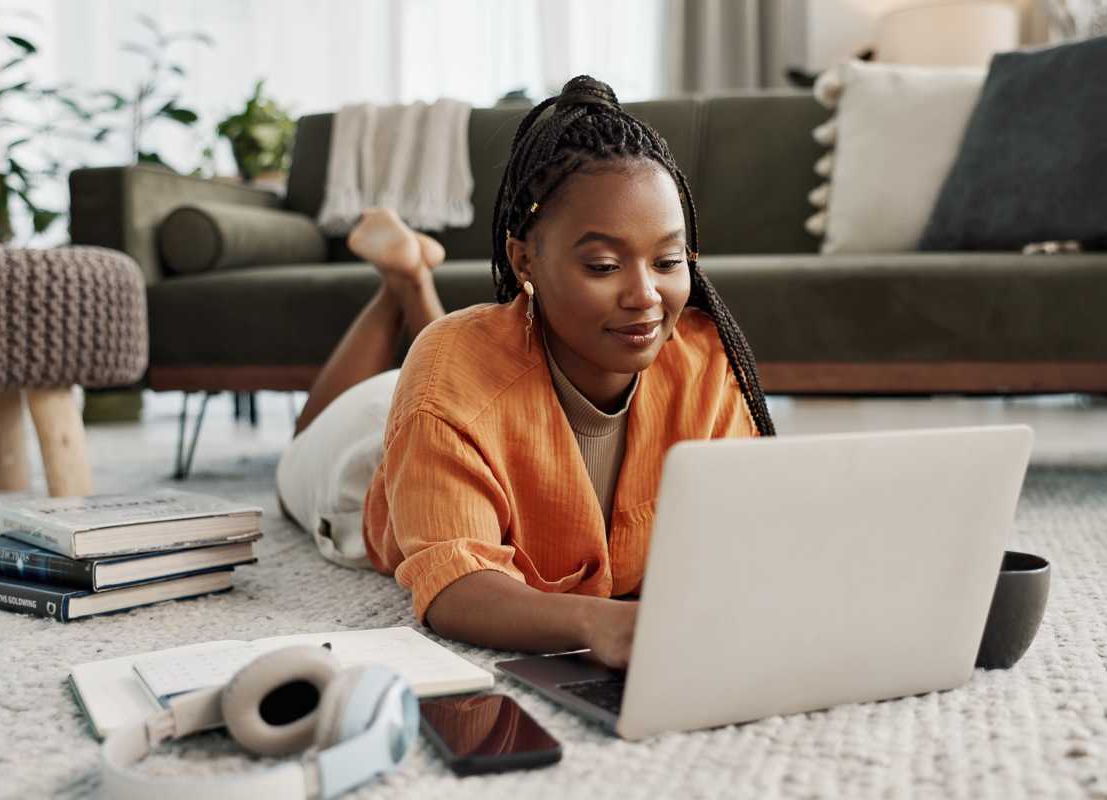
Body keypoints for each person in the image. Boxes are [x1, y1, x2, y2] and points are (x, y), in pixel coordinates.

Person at [276, 75, 776, 668]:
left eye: (668, 260)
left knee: (447, 361)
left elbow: (750, 527)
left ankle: (412, 279)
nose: (645, 295)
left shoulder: (705, 361)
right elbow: (454, 584)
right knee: (310, 437)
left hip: (459, 389)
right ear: (523, 260)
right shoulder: (447, 377)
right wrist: (598, 621)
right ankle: (403, 285)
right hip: (363, 463)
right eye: (603, 264)